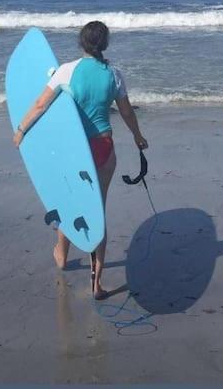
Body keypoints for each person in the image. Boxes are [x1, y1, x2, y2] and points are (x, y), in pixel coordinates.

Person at [12, 20, 148, 299]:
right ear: (105, 44)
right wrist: (137, 136)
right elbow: (126, 112)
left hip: (72, 149)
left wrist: (22, 130)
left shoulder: (66, 70)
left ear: (81, 42)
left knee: (68, 200)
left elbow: (40, 104)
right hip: (103, 148)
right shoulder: (114, 74)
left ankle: (61, 255)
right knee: (96, 211)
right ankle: (97, 285)